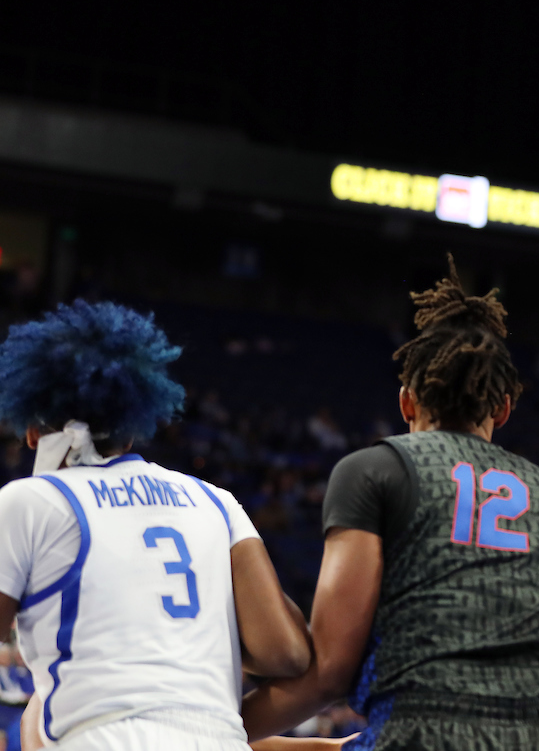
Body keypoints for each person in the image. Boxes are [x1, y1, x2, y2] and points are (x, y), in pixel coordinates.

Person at [239, 260, 539, 750]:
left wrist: (218, 725)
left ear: (406, 403)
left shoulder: (374, 470)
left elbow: (331, 673)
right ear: (504, 410)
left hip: (423, 734)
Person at [0, 300, 312, 751]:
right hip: (220, 741)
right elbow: (286, 652)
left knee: (33, 719)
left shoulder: (30, 502)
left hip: (102, 739)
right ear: (133, 428)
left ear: (33, 432)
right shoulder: (216, 501)